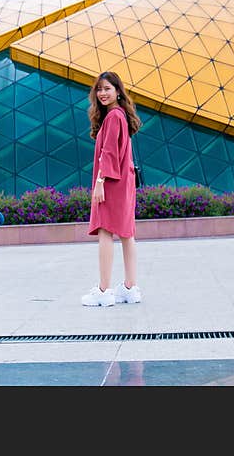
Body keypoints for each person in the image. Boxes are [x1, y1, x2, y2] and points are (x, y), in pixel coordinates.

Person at [81, 71, 143, 307]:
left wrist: (99, 182)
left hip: (111, 183)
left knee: (106, 232)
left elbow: (108, 153)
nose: (103, 93)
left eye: (107, 88)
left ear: (118, 91)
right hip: (123, 182)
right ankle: (130, 287)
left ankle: (104, 290)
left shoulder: (113, 117)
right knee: (127, 233)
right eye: (99, 89)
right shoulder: (120, 115)